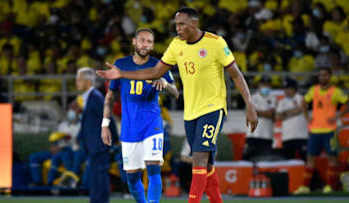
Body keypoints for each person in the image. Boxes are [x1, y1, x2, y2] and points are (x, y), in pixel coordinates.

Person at [97, 7, 258, 203]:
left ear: (194, 23)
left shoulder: (215, 43)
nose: (178, 28)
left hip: (213, 108)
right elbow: (155, 72)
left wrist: (249, 104)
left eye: (181, 24)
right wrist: (122, 74)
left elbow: (236, 74)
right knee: (205, 165)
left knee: (198, 158)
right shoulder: (176, 45)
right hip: (190, 113)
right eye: (176, 25)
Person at [101, 28, 179, 203]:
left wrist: (165, 84)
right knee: (132, 178)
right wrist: (105, 124)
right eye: (142, 40)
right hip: (129, 128)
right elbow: (110, 96)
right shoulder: (121, 64)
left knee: (153, 170)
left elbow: (176, 94)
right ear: (134, 42)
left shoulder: (159, 65)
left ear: (152, 46)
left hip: (152, 124)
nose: (145, 44)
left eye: (149, 41)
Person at [294, 67, 349, 194]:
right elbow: (304, 101)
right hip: (315, 131)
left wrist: (338, 116)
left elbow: (347, 102)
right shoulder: (314, 90)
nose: (322, 77)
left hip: (330, 131)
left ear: (330, 76)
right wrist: (307, 117)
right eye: (320, 75)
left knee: (332, 158)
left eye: (325, 75)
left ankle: (330, 186)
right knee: (310, 159)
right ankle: (305, 187)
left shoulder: (335, 92)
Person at [76, 67, 118, 203]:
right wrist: (80, 137)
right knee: (96, 177)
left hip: (99, 145)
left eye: (79, 80)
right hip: (94, 145)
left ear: (88, 82)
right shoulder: (91, 97)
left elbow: (108, 117)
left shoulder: (96, 97)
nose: (77, 82)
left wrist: (115, 139)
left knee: (98, 178)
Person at [243, 76, 276, 161]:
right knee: (247, 160)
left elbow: (271, 114)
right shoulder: (252, 97)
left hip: (267, 135)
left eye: (267, 84)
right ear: (259, 85)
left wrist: (257, 112)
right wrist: (265, 113)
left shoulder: (273, 97)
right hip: (252, 134)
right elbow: (250, 113)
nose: (265, 86)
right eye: (263, 84)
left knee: (265, 161)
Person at [276, 78, 308, 160]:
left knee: (306, 160)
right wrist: (292, 111)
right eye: (284, 88)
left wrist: (284, 114)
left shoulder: (301, 98)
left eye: (288, 88)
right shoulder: (282, 101)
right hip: (287, 137)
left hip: (301, 136)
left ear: (294, 89)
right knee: (288, 162)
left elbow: (299, 110)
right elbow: (278, 117)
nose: (285, 91)